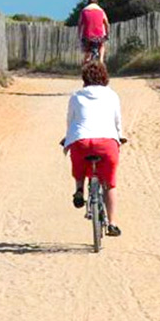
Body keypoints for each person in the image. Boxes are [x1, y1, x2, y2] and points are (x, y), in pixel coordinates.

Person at [62, 61, 124, 237]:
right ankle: (112, 224)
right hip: (106, 142)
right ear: (105, 77)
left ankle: (80, 190)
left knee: (79, 167)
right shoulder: (112, 96)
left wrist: (69, 137)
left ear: (84, 79)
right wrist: (119, 137)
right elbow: (117, 121)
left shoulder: (76, 96)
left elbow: (71, 120)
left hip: (81, 140)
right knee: (110, 184)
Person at [77, 0, 110, 64]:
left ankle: (86, 61)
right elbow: (107, 23)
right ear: (96, 3)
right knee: (101, 45)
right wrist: (107, 34)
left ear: (88, 3)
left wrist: (79, 35)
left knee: (87, 50)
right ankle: (101, 60)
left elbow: (80, 24)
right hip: (99, 36)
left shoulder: (84, 11)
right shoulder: (101, 10)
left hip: (87, 35)